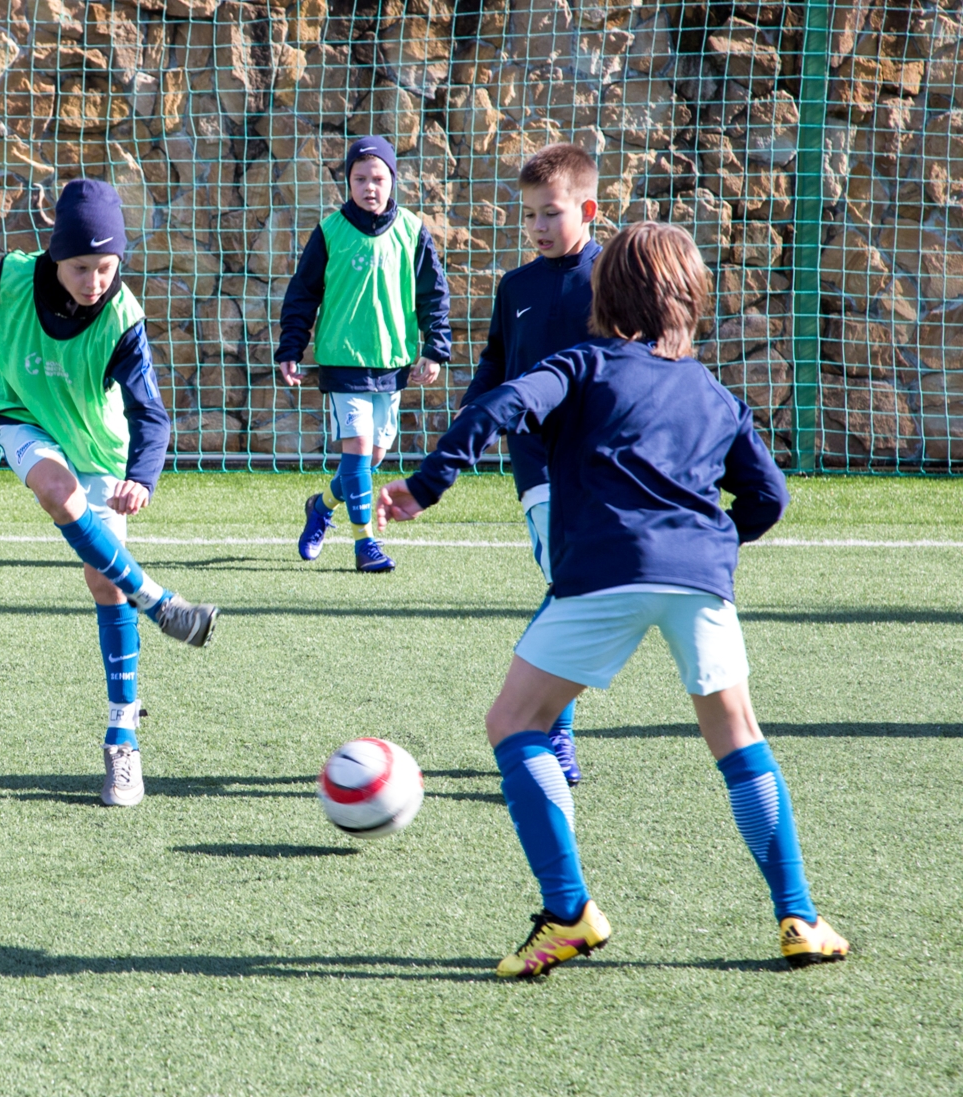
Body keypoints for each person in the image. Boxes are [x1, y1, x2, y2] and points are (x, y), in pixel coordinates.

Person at [376, 221, 849, 977]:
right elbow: (769, 498)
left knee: (513, 722)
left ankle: (569, 912)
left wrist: (427, 484)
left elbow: (498, 406)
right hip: (700, 581)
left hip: (605, 568)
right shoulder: (715, 393)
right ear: (689, 298)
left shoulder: (583, 363)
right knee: (737, 738)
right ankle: (800, 918)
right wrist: (708, 543)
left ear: (605, 295)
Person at [0, 178, 218, 809]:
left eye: (107, 267)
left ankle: (123, 739)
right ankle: (161, 603)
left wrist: (141, 478)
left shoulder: (123, 320)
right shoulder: (13, 276)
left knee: (105, 584)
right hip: (21, 414)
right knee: (55, 489)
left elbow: (151, 414)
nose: (95, 280)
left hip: (99, 447)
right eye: (81, 267)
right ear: (55, 256)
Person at [460, 143, 604, 786]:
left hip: (601, 464)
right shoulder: (515, 286)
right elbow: (497, 359)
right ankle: (555, 730)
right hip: (538, 466)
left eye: (551, 213)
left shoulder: (613, 280)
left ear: (587, 210)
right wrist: (472, 415)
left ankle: (549, 722)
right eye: (529, 216)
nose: (538, 226)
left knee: (579, 592)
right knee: (564, 587)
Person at [276, 136, 452, 573]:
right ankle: (365, 544)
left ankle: (321, 506)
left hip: (392, 361)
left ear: (392, 180)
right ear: (348, 182)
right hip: (343, 360)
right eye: (360, 179)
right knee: (355, 450)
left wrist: (435, 348)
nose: (369, 187)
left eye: (378, 178)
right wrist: (292, 345)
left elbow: (433, 294)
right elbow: (303, 294)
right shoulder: (330, 232)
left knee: (369, 459)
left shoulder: (412, 230)